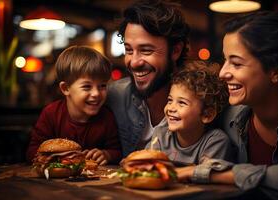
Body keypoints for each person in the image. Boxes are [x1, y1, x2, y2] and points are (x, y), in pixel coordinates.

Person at [176, 11, 278, 200]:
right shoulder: (230, 112)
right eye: (225, 60)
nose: (223, 73)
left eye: (236, 64)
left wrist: (210, 173)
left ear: (276, 72)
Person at [106, 0, 190, 157]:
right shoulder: (113, 95)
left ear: (175, 51)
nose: (134, 62)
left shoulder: (203, 102)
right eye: (129, 50)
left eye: (146, 50)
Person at [26, 46, 121, 165]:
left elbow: (117, 151)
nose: (96, 93)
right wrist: (59, 159)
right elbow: (32, 152)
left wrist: (107, 154)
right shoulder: (51, 113)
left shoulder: (107, 116)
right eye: (87, 86)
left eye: (102, 86)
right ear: (65, 88)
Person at [146, 61, 230, 166]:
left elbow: (206, 173)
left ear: (207, 115)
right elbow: (148, 165)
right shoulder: (161, 133)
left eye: (181, 103)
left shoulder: (216, 141)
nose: (171, 108)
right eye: (170, 100)